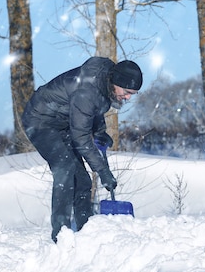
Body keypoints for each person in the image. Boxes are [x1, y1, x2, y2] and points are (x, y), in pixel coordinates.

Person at [22, 57, 143, 243]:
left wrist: (99, 131)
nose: (127, 97)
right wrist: (103, 170)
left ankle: (86, 229)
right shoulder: (87, 92)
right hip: (40, 121)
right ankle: (60, 234)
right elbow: (81, 137)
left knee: (83, 180)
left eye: (132, 94)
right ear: (116, 82)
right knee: (64, 168)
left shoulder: (105, 82)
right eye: (127, 92)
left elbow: (95, 108)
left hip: (63, 122)